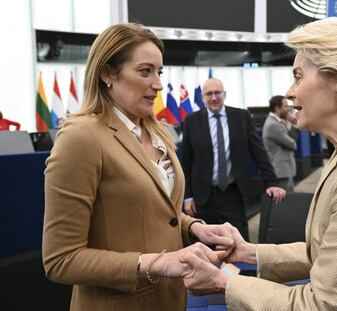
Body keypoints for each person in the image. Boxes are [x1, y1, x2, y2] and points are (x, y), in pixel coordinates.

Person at [180, 17, 337, 310]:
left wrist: (224, 282)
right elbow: (331, 253)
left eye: (299, 76)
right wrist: (248, 252)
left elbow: (322, 305)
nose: (290, 92)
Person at [42, 23, 235, 311]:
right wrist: (159, 262)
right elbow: (61, 260)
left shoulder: (158, 133)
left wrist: (194, 228)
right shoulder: (81, 137)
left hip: (170, 301)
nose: (157, 83)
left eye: (160, 72)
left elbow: (152, 211)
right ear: (108, 73)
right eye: (145, 71)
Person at [181, 78, 286, 241]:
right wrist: (187, 197)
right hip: (202, 197)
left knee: (239, 242)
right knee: (205, 247)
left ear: (225, 94)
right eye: (209, 94)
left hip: (232, 193)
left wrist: (271, 182)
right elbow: (185, 162)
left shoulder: (242, 117)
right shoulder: (191, 121)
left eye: (218, 93)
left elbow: (259, 152)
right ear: (202, 97)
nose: (214, 97)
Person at [262, 95, 298, 192]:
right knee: (286, 204)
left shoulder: (277, 122)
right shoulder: (273, 125)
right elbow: (292, 144)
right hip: (281, 171)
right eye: (286, 106)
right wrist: (294, 124)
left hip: (284, 171)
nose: (288, 109)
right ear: (277, 108)